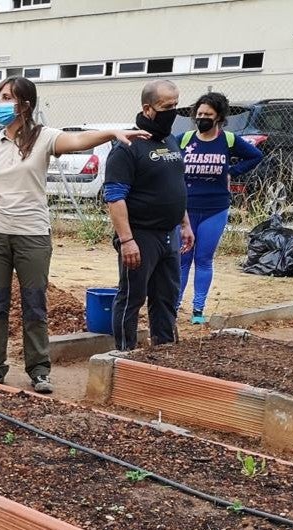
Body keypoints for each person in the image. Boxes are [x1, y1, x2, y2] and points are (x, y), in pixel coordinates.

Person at [0, 77, 149, 392]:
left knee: (34, 303)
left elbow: (79, 141)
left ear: (25, 104)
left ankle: (39, 370)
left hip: (32, 236)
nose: (1, 104)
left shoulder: (43, 138)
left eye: (8, 98)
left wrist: (111, 132)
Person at [103, 79, 195, 351]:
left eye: (176, 105)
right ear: (148, 109)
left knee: (166, 296)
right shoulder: (128, 147)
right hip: (140, 235)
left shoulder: (170, 141)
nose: (173, 112)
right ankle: (123, 354)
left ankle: (164, 350)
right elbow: (115, 197)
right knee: (132, 296)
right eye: (167, 106)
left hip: (170, 234)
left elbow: (175, 186)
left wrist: (185, 223)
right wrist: (127, 240)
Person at [176, 91, 264, 324]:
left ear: (219, 117)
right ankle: (173, 306)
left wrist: (231, 172)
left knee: (203, 259)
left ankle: (198, 310)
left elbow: (255, 156)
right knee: (182, 260)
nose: (202, 118)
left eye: (208, 114)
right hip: (185, 209)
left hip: (215, 208)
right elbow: (169, 162)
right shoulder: (183, 140)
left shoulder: (228, 140)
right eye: (199, 114)